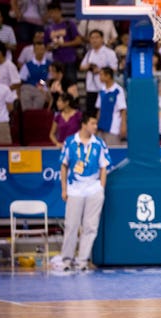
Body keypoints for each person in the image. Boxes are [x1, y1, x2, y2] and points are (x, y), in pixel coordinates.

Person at [59, 113, 111, 272]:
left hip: (93, 188)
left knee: (90, 227)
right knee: (71, 225)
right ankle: (67, 260)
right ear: (84, 125)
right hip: (75, 188)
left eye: (96, 124)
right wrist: (64, 189)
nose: (96, 127)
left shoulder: (99, 143)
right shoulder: (70, 142)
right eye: (93, 124)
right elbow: (64, 166)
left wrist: (101, 188)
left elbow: (104, 167)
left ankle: (82, 261)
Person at [79, 29, 118, 116]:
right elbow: (81, 66)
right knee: (91, 113)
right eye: (92, 38)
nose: (94, 40)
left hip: (104, 87)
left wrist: (99, 70)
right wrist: (89, 66)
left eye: (97, 37)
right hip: (91, 87)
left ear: (102, 39)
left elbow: (114, 68)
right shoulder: (89, 53)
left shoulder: (109, 53)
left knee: (105, 113)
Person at [44, 2, 83, 83]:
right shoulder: (49, 28)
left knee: (71, 84)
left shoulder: (69, 24)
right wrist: (52, 46)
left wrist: (64, 44)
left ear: (60, 11)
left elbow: (78, 40)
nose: (52, 15)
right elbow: (46, 46)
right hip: (56, 61)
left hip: (69, 59)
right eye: (50, 13)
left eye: (54, 12)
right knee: (57, 84)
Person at [95, 67, 127, 145]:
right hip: (101, 126)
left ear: (108, 76)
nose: (100, 77)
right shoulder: (102, 91)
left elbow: (123, 110)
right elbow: (99, 109)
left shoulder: (118, 90)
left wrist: (123, 126)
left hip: (113, 128)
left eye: (101, 75)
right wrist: (96, 124)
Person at [18, 40, 50, 110]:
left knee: (40, 101)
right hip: (29, 87)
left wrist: (41, 84)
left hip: (42, 89)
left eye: (42, 49)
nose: (40, 51)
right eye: (38, 49)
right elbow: (21, 80)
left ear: (45, 50)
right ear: (34, 51)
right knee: (25, 96)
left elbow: (48, 79)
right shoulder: (27, 65)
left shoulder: (49, 64)